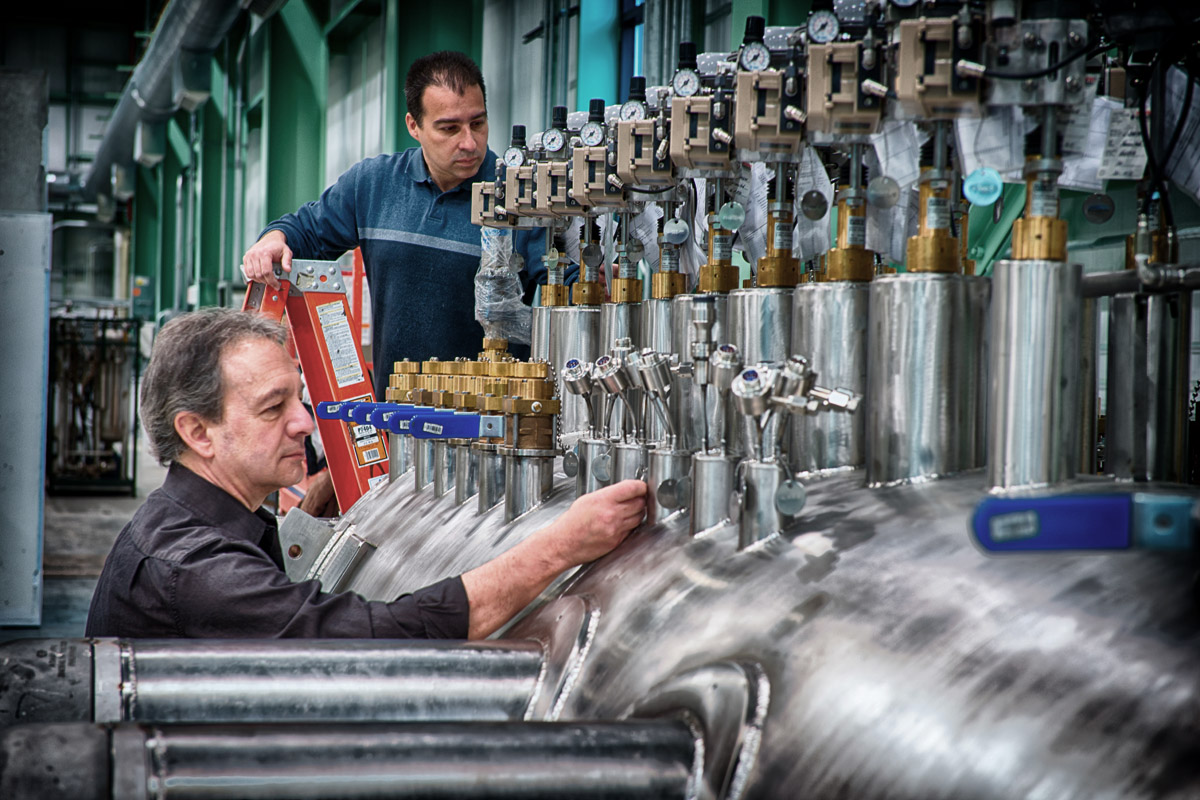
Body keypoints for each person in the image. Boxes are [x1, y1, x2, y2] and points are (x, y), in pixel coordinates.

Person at [85, 308, 646, 639]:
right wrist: (559, 547)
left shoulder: (199, 520)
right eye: (272, 407)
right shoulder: (197, 570)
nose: (305, 423)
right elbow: (379, 638)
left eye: (299, 400)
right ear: (197, 432)